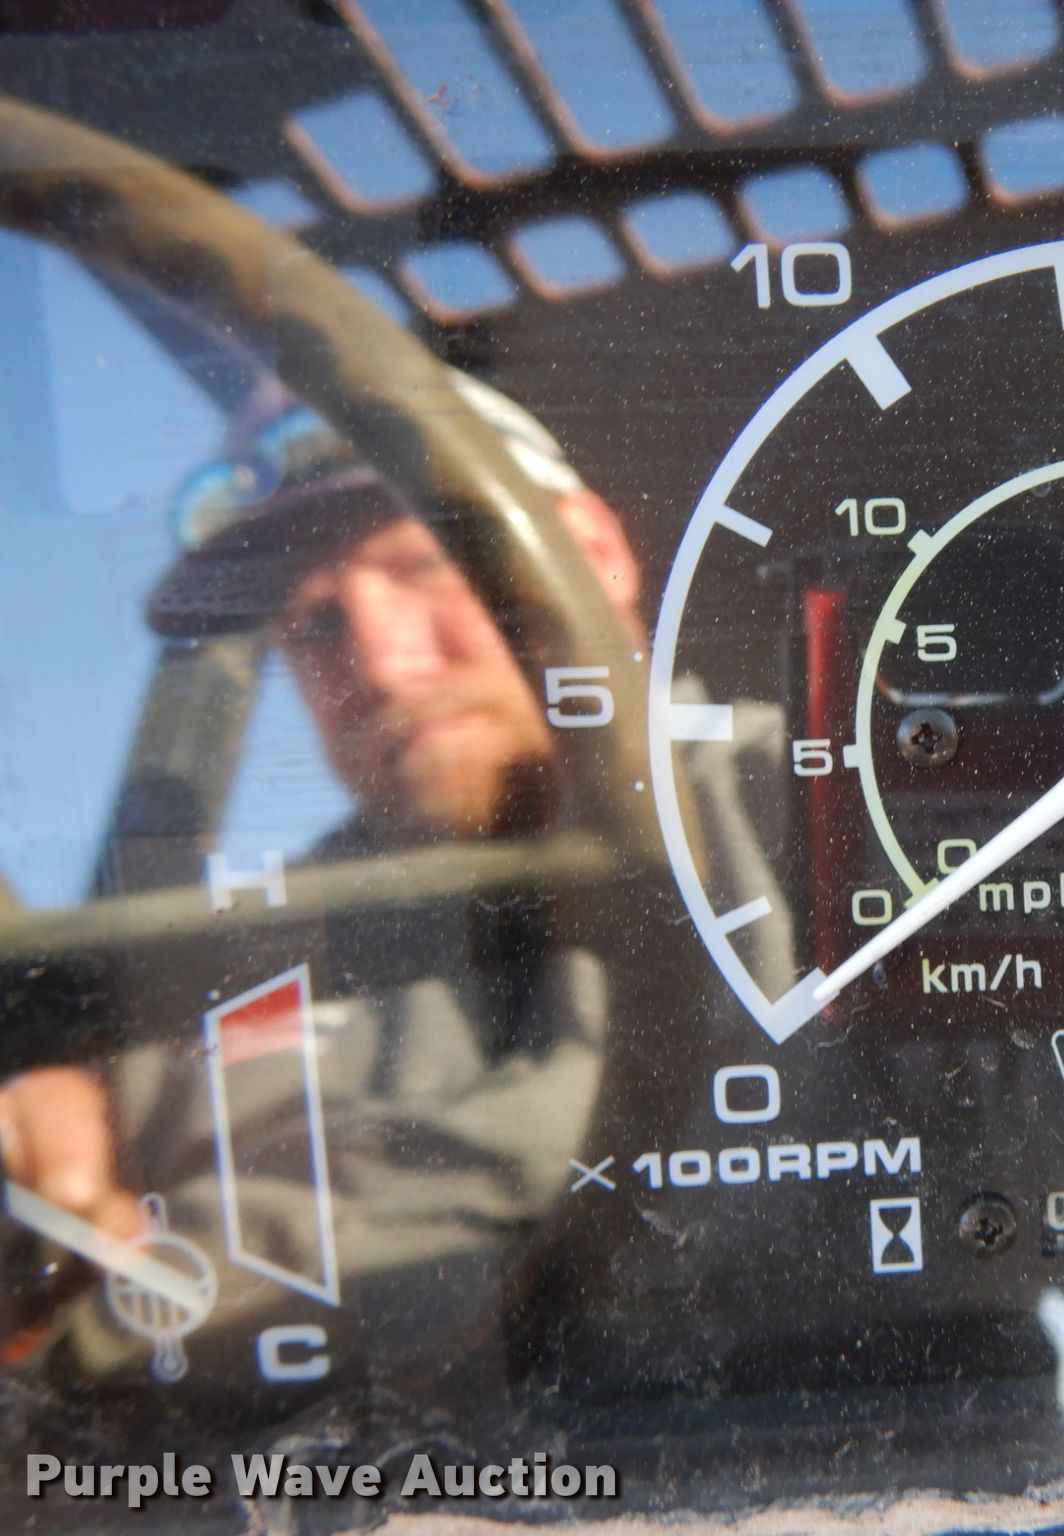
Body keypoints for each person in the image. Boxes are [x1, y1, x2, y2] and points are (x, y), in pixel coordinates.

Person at [1, 369, 639, 1381]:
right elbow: (68, 1177)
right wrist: (49, 1121)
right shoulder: (238, 950)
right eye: (316, 625)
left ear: (592, 552)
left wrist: (116, 1313)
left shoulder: (791, 813)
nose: (378, 665)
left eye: (426, 564)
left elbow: (597, 1169)